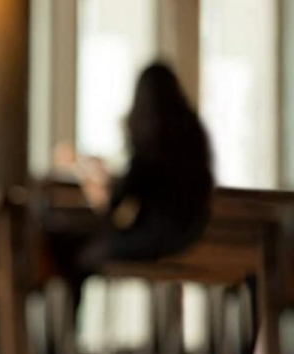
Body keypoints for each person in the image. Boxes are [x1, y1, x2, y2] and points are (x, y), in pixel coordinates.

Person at [46, 61, 215, 316]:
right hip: (191, 235)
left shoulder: (151, 142)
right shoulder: (193, 137)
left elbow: (117, 203)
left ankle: (60, 342)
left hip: (153, 241)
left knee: (75, 255)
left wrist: (96, 183)